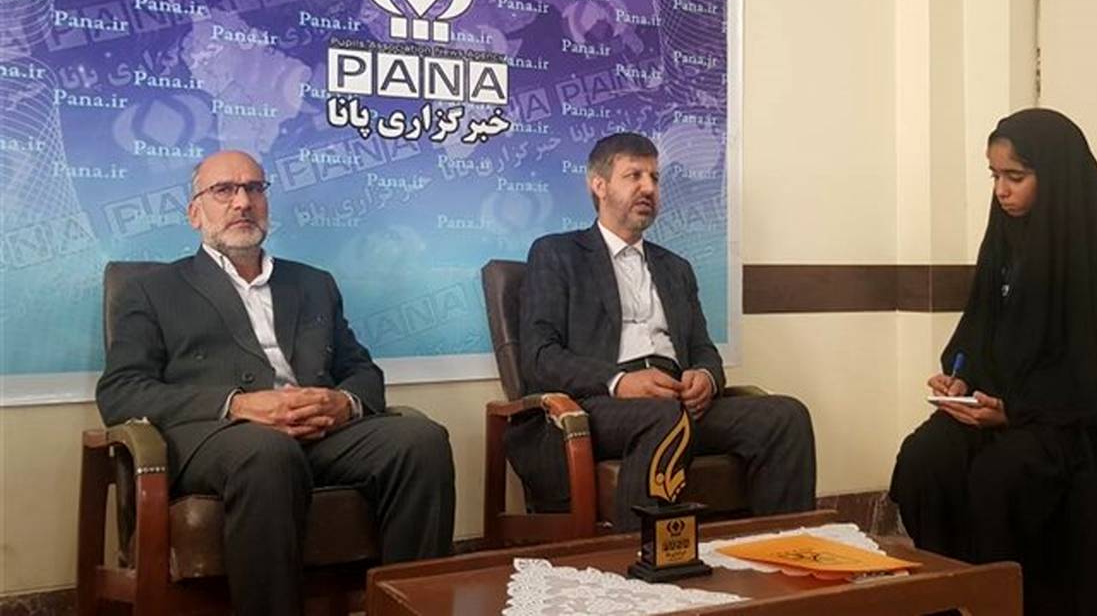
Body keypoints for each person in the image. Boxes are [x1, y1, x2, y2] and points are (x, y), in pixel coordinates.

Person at [96, 150, 456, 616]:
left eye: (254, 188)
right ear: (194, 213)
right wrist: (238, 405)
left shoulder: (313, 284)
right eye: (224, 190)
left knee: (421, 440)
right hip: (219, 437)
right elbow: (121, 391)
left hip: (320, 434)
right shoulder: (152, 290)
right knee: (267, 452)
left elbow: (363, 371)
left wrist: (343, 403)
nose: (242, 202)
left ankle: (405, 610)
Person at [889, 109, 1097, 615]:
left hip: (1078, 424)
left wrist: (1014, 411)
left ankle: (1003, 605)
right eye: (994, 176)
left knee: (999, 477)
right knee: (924, 459)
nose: (1001, 192)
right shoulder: (1005, 237)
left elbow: (1095, 376)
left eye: (1015, 177)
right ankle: (951, 598)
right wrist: (961, 379)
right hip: (1004, 409)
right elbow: (981, 329)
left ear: (1055, 175)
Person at [511, 132, 816, 529]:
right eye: (634, 175)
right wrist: (619, 382)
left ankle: (784, 547)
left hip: (677, 400)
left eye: (654, 178)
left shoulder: (675, 268)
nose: (648, 188)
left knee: (785, 416)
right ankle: (638, 553)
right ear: (599, 185)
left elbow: (703, 348)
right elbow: (540, 357)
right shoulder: (557, 253)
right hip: (598, 406)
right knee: (661, 416)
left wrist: (705, 376)